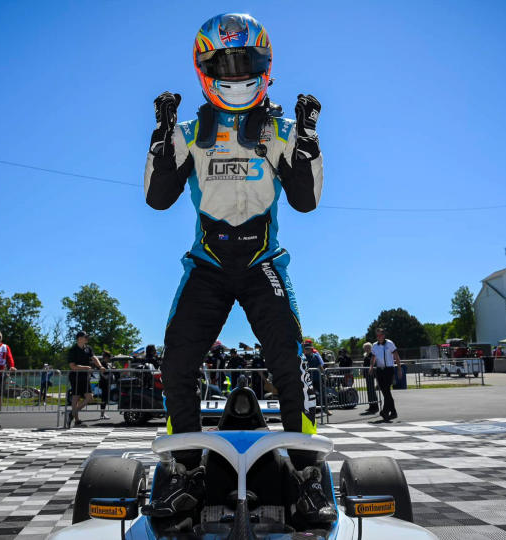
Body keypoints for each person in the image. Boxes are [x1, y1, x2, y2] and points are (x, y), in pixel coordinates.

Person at [143, 12, 331, 523]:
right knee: (176, 363)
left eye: (245, 62)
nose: (235, 73)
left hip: (262, 262)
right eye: (224, 63)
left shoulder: (285, 127)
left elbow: (306, 201)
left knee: (290, 362)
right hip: (206, 265)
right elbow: (157, 199)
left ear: (265, 65)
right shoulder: (188, 129)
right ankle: (184, 475)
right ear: (204, 67)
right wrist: (160, 141)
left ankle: (309, 479)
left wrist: (291, 141)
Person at [67, 331, 100, 427]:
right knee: (75, 397)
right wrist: (86, 367)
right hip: (75, 376)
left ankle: (72, 413)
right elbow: (72, 366)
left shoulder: (88, 348)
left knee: (89, 397)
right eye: (85, 337)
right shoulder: (73, 350)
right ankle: (76, 420)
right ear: (79, 338)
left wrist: (100, 366)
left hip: (85, 376)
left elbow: (94, 358)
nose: (87, 338)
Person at [370, 328, 401, 422]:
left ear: (384, 335)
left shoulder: (390, 343)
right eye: (377, 335)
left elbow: (396, 356)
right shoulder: (375, 345)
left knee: (387, 390)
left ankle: (384, 411)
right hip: (380, 370)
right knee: (385, 392)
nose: (378, 337)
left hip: (389, 369)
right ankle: (393, 412)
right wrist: (371, 366)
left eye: (380, 335)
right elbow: (373, 357)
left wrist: (399, 368)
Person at [303, 341, 327, 415]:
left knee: (323, 393)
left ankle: (325, 409)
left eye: (308, 349)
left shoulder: (315, 356)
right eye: (306, 349)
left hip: (317, 378)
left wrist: (324, 374)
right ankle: (308, 410)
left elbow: (320, 366)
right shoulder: (302, 358)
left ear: (311, 349)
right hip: (307, 379)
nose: (307, 350)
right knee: (307, 395)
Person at [361, 342, 379, 415]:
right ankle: (371, 405)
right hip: (366, 374)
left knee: (372, 390)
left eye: (368, 347)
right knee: (369, 390)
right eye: (365, 347)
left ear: (371, 348)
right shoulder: (365, 355)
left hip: (371, 374)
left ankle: (375, 406)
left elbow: (373, 363)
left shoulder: (372, 355)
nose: (367, 349)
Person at [96, 351, 113, 420]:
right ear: (106, 357)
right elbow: (102, 373)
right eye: (108, 357)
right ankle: (102, 414)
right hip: (104, 383)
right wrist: (106, 377)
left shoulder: (106, 364)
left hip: (106, 382)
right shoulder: (102, 364)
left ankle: (103, 413)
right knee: (104, 398)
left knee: (105, 399)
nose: (109, 359)